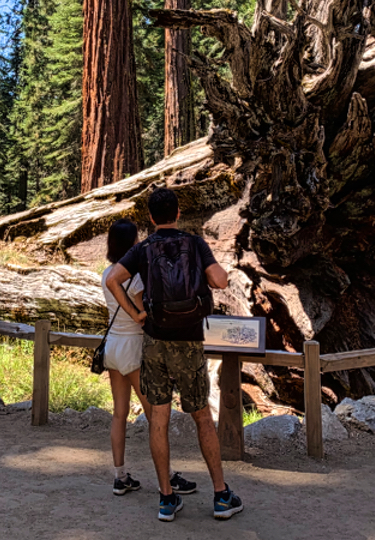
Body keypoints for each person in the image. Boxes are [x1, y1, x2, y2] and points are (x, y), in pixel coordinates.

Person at [105, 188, 243, 522]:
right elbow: (220, 281)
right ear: (177, 213)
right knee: (200, 417)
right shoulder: (195, 243)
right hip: (190, 341)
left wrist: (137, 315)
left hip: (154, 341)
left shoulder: (142, 248)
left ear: (151, 218)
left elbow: (112, 279)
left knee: (159, 419)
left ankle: (167, 499)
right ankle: (221, 495)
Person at [101, 219, 197, 497]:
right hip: (134, 348)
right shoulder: (135, 278)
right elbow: (145, 315)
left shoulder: (107, 273)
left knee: (119, 414)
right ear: (131, 244)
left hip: (113, 347)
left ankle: (120, 476)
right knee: (156, 415)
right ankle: (166, 478)